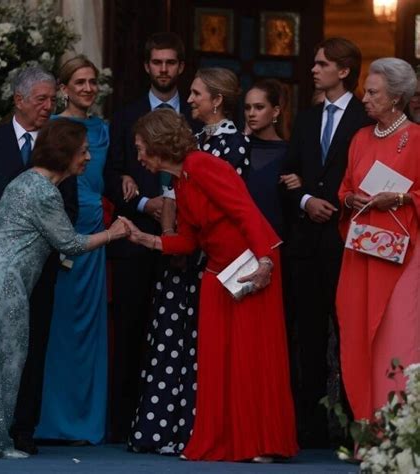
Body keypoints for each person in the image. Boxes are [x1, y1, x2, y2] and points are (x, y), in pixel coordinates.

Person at [122, 108, 298, 462]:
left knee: (251, 357)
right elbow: (188, 241)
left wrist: (264, 262)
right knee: (218, 360)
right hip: (218, 272)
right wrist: (145, 239)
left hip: (250, 266)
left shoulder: (203, 166)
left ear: (158, 145)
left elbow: (246, 212)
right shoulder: (182, 180)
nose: (138, 156)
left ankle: (261, 442)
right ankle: (229, 441)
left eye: (141, 148)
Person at [0, 119, 129, 458]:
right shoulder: (44, 192)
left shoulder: (25, 181)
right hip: (4, 282)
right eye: (83, 152)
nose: (88, 158)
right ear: (65, 154)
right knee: (3, 361)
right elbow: (70, 243)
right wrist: (113, 233)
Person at [128, 67, 249, 454]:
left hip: (206, 258)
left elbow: (230, 210)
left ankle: (192, 430)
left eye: (197, 93)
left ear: (218, 100)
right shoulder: (193, 141)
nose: (190, 99)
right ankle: (160, 431)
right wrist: (166, 236)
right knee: (168, 340)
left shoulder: (234, 145)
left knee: (198, 346)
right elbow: (172, 197)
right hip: (178, 250)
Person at [0, 66, 78, 455]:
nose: (48, 107)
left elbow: (68, 206)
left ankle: (22, 428)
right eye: (41, 99)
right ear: (18, 100)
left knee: (32, 346)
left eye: (51, 99)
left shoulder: (57, 144)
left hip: (38, 268)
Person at [107, 32, 199, 442]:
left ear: (181, 67)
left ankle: (181, 423)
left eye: (170, 62)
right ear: (147, 67)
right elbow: (109, 175)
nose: (163, 69)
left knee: (182, 334)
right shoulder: (125, 116)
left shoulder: (198, 116)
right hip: (138, 239)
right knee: (131, 330)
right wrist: (145, 204)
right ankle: (127, 424)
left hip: (191, 242)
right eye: (157, 62)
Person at [281, 37, 372, 448]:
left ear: (344, 70)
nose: (314, 70)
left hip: (347, 241)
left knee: (350, 335)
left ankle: (355, 426)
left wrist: (330, 199)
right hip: (304, 244)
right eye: (315, 64)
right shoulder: (304, 119)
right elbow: (286, 175)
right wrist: (304, 198)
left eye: (322, 64)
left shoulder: (365, 119)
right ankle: (311, 428)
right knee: (309, 336)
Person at [36, 56, 130, 444]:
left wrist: (123, 174)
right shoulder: (51, 128)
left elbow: (109, 175)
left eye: (93, 82)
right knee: (57, 330)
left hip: (96, 236)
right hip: (61, 232)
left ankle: (87, 423)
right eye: (80, 82)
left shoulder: (105, 131)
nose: (88, 88)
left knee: (90, 332)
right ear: (64, 88)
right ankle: (51, 421)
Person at [337, 58, 420, 421]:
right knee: (356, 339)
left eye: (373, 92)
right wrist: (347, 199)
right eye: (365, 91)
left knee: (394, 339)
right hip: (361, 252)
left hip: (403, 258)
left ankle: (397, 433)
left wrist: (401, 198)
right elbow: (345, 187)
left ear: (396, 99)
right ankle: (367, 432)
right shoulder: (359, 138)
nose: (364, 98)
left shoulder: (417, 139)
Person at [244, 79, 290, 236]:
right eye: (247, 107)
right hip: (238, 238)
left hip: (275, 238)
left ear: (276, 111)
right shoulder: (238, 148)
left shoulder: (288, 153)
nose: (251, 113)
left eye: (259, 107)